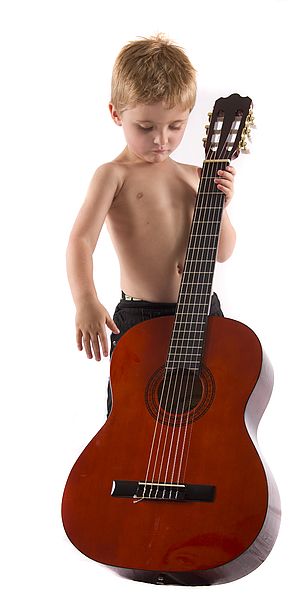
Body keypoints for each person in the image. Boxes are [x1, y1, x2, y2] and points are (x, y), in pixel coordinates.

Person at [66, 34, 236, 415]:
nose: (162, 140)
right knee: (132, 419)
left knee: (212, 416)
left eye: (176, 126)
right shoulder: (113, 175)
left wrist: (219, 205)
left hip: (200, 312)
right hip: (140, 317)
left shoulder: (195, 176)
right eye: (146, 127)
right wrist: (85, 301)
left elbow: (222, 252)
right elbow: (80, 241)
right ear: (116, 114)